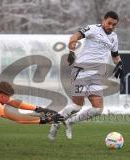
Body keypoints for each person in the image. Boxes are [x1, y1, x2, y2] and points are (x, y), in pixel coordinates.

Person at [48, 11, 123, 140]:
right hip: (82, 71)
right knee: (77, 106)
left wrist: (120, 64)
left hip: (96, 76)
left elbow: (115, 56)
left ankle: (70, 122)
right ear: (103, 20)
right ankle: (56, 121)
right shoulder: (93, 29)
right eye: (109, 23)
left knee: (97, 109)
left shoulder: (114, 37)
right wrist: (71, 51)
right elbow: (74, 37)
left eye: (114, 25)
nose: (111, 26)